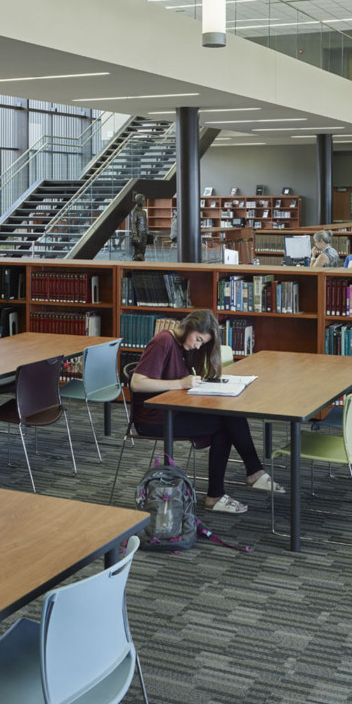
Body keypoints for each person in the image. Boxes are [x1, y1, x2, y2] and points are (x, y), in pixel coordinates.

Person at [130, 310, 281, 513]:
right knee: (225, 425)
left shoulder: (184, 346)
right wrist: (179, 383)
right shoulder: (163, 341)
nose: (197, 346)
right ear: (189, 327)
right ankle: (235, 483)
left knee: (229, 416)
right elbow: (137, 383)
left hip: (173, 409)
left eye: (202, 343)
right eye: (198, 339)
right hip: (152, 418)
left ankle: (239, 481)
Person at [129, 195, 150, 263]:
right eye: (142, 200)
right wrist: (135, 235)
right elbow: (133, 224)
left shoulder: (144, 212)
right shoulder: (134, 211)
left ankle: (142, 266)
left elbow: (145, 223)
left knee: (143, 251)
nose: (144, 202)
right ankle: (135, 266)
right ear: (138, 201)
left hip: (144, 233)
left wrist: (147, 231)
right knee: (137, 252)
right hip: (139, 233)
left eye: (144, 200)